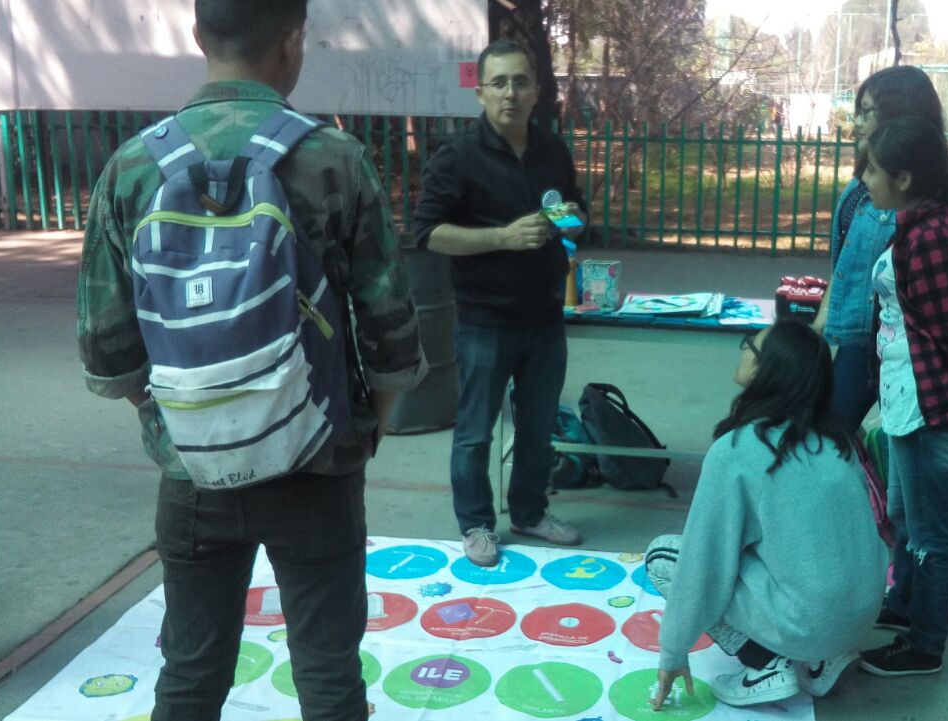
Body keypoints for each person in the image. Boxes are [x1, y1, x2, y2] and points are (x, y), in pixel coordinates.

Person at [75, 2, 427, 719]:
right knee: (328, 675)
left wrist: (183, 413)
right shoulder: (336, 160)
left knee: (192, 673)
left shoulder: (133, 166)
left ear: (198, 36)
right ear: (293, 42)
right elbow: (391, 331)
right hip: (318, 464)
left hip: (193, 473)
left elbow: (107, 350)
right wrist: (370, 428)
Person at [647, 321, 888, 709]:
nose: (742, 349)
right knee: (773, 547)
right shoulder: (838, 439)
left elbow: (702, 563)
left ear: (768, 371)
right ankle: (821, 659)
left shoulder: (739, 449)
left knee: (664, 556)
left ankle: (767, 664)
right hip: (859, 618)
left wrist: (673, 652)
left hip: (809, 620)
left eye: (749, 346)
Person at [412, 39, 589, 567]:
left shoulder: (552, 151)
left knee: (538, 428)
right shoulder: (458, 156)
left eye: (520, 82)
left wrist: (573, 223)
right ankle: (476, 524)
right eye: (499, 83)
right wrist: (503, 238)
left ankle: (531, 513)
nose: (510, 93)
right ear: (481, 90)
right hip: (485, 319)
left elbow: (576, 219)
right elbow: (427, 233)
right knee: (474, 432)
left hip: (544, 316)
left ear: (536, 91)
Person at [853, 115, 948, 677]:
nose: (863, 178)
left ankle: (925, 644)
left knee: (929, 535)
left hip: (928, 405)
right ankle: (905, 603)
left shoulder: (932, 237)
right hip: (906, 397)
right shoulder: (915, 221)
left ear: (907, 177)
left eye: (872, 169)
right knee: (903, 517)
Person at [812, 65, 948, 433]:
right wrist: (818, 327)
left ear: (898, 112)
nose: (856, 122)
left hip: (898, 346)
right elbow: (845, 266)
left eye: (866, 111)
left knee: (832, 430)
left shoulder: (932, 196)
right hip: (859, 335)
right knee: (828, 428)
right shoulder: (870, 170)